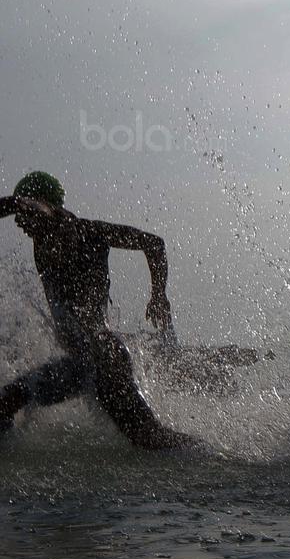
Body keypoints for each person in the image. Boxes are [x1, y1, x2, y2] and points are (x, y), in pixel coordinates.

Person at [0, 172, 195, 450]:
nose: (20, 223)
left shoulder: (73, 230)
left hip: (103, 361)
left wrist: (159, 296)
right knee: (8, 401)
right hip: (84, 363)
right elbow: (153, 244)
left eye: (25, 213)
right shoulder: (51, 237)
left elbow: (153, 242)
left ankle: (210, 455)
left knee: (151, 438)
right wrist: (158, 295)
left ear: (44, 205)